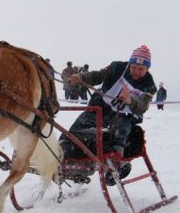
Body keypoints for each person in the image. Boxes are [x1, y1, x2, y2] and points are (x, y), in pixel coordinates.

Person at [59, 45, 157, 185]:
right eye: (134, 67)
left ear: (147, 69)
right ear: (130, 63)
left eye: (141, 69)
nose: (136, 71)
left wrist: (130, 100)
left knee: (119, 129)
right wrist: (81, 77)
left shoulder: (149, 85)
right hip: (101, 107)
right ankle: (66, 159)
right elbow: (97, 76)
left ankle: (117, 165)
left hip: (123, 116)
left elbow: (143, 106)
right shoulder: (116, 67)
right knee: (76, 130)